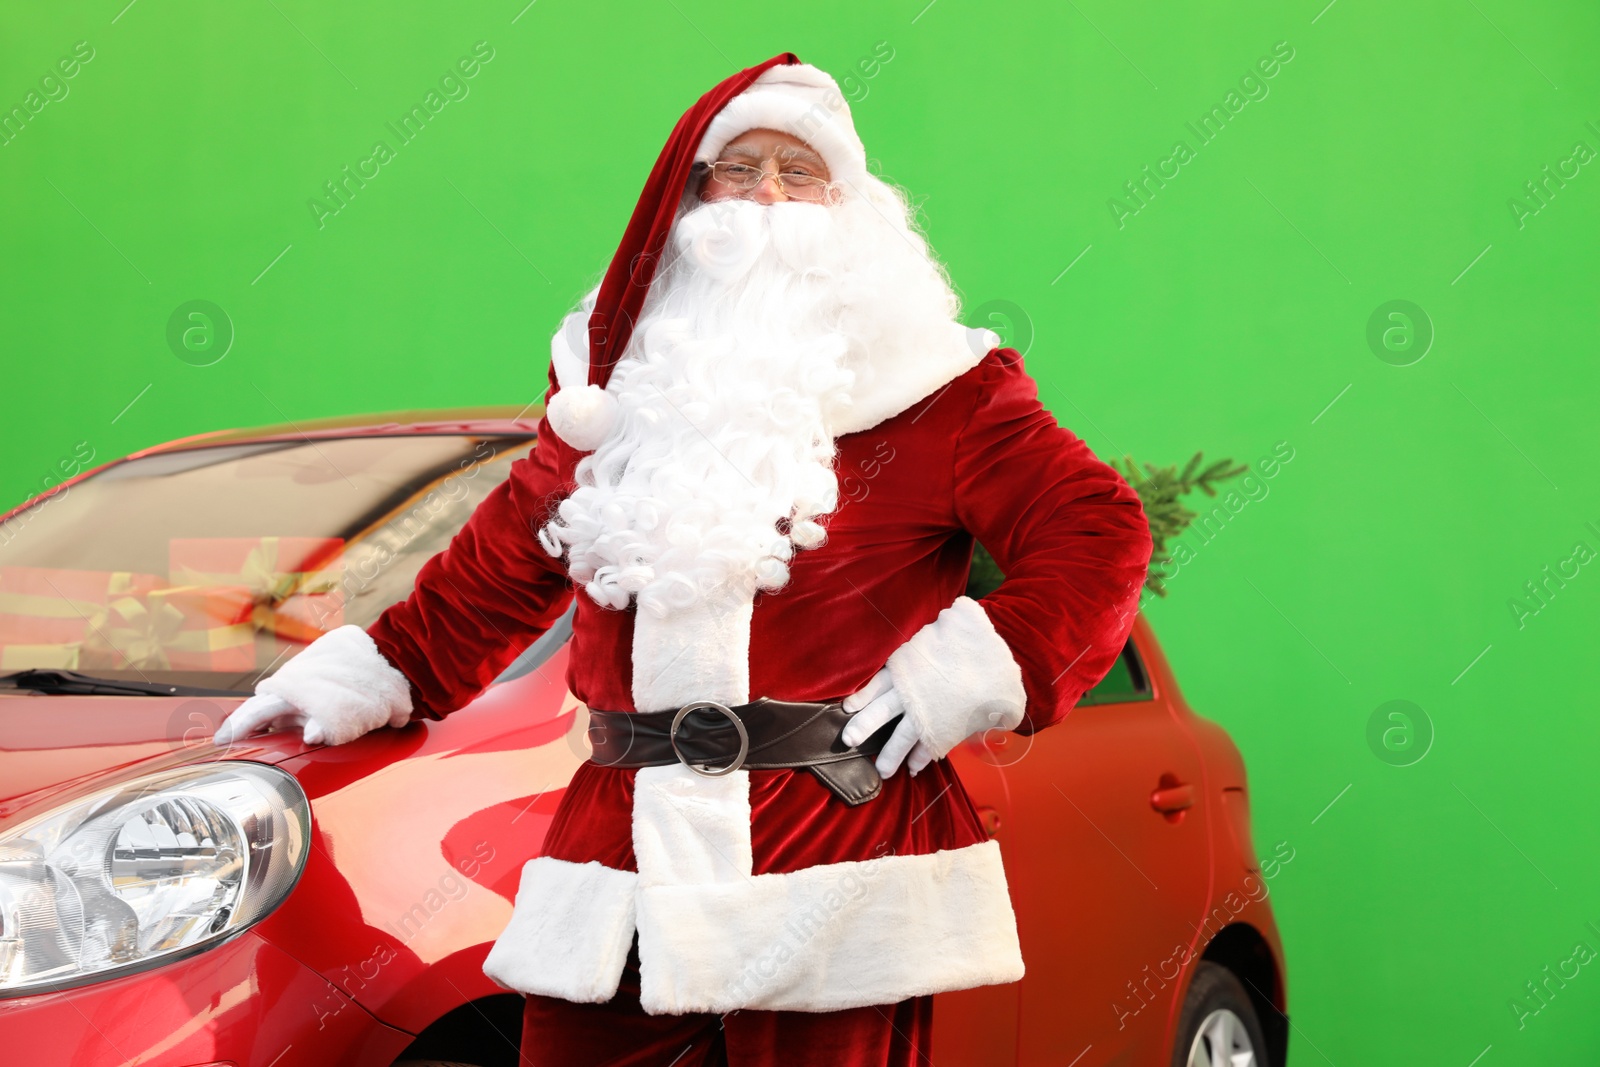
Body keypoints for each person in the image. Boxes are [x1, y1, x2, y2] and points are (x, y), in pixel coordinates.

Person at [213, 52, 1153, 1066]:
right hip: (622, 852)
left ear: (851, 206)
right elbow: (513, 552)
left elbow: (1097, 531)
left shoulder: (942, 388)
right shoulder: (618, 388)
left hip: (830, 844)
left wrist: (959, 676)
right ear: (689, 197)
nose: (768, 200)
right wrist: (382, 669)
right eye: (738, 170)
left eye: (801, 174)